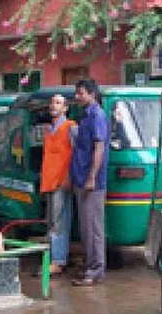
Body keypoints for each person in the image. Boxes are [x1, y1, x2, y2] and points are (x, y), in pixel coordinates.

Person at [70, 79, 109, 287]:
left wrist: (92, 177)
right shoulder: (85, 117)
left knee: (93, 227)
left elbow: (99, 148)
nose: (77, 97)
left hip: (91, 182)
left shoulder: (97, 116)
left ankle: (96, 269)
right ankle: (90, 265)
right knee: (86, 227)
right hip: (81, 179)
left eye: (81, 93)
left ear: (92, 94)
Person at [40, 94, 75, 276]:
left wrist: (69, 178)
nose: (53, 105)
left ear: (65, 108)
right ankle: (57, 258)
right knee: (53, 222)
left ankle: (58, 261)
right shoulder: (49, 130)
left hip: (61, 181)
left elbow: (76, 155)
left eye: (58, 103)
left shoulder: (70, 127)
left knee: (59, 223)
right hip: (49, 181)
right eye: (52, 102)